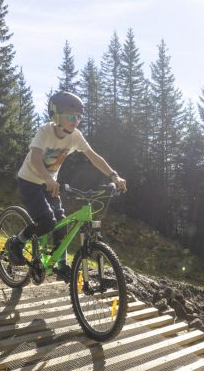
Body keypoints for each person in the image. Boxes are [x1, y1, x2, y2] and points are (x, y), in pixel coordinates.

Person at [7, 90, 127, 282]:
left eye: (79, 117)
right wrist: (48, 179)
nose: (75, 120)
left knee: (61, 222)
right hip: (30, 181)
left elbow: (94, 157)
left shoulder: (75, 136)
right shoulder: (45, 132)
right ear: (56, 116)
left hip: (50, 184)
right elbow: (36, 159)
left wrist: (114, 176)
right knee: (47, 222)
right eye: (71, 116)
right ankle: (17, 243)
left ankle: (61, 265)